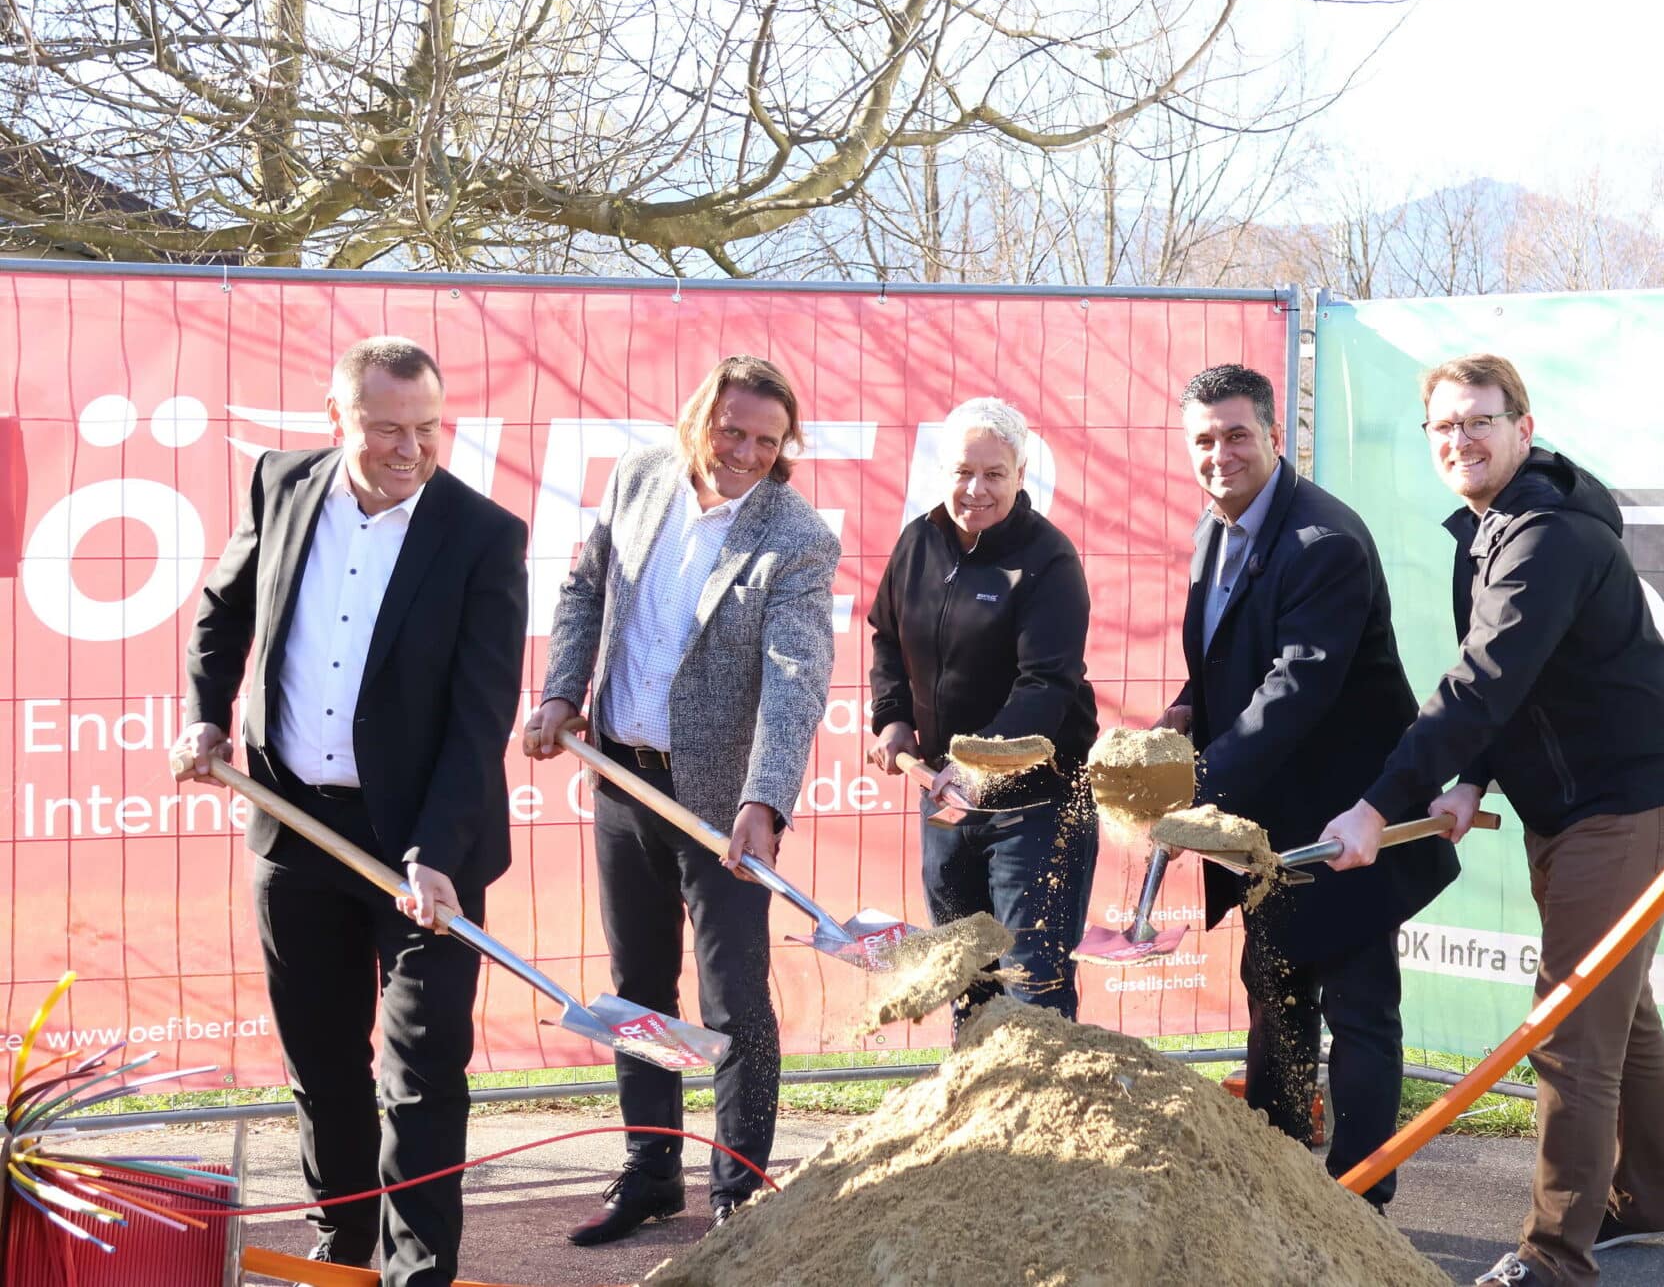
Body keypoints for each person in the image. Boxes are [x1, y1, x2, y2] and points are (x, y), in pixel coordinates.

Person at [1321, 353, 1664, 1287]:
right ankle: (1649, 1199)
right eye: (1444, 425)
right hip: (1578, 802)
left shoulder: (1544, 537)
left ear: (1522, 429)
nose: (1460, 439)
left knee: (1570, 1026)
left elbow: (1479, 684)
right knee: (1617, 1008)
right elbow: (1517, 681)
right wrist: (1473, 780)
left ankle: (1555, 1254)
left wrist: (1376, 807)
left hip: (1622, 806)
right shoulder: (1490, 527)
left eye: (1479, 421)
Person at [172, 337, 528, 1285]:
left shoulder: (484, 535)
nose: (410, 449)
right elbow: (222, 612)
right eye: (386, 429)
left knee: (421, 1074)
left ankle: (419, 1273)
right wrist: (208, 716)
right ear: (336, 419)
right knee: (322, 1062)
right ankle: (342, 1247)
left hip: (425, 846)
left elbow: (481, 715)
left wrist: (436, 851)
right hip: (292, 824)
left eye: (427, 428)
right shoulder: (280, 485)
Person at [524, 354, 838, 1243]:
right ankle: (651, 1174)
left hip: (721, 805)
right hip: (622, 779)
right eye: (732, 431)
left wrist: (763, 801)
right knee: (639, 991)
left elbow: (795, 680)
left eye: (768, 442)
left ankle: (740, 1192)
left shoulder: (797, 536)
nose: (745, 454)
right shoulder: (637, 479)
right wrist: (562, 691)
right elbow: (585, 589)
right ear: (699, 417)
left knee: (734, 1002)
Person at [1160, 363, 1458, 1205]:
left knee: (1360, 1009)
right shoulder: (1216, 525)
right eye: (1204, 440)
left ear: (1273, 434)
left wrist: (1196, 789)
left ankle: (1359, 1201)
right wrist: (1182, 713)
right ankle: (1283, 1190)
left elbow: (1295, 691)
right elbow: (1228, 659)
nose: (1220, 454)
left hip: (1348, 817)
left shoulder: (1323, 542)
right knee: (1275, 996)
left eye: (1237, 435)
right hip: (1269, 825)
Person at [866, 397, 1099, 1025]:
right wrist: (892, 718)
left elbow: (1045, 685)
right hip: (947, 799)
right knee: (968, 981)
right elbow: (887, 637)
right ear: (942, 472)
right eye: (964, 472)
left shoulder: (1048, 561)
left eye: (994, 474)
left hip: (1038, 806)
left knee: (1032, 988)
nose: (976, 489)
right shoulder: (918, 542)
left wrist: (979, 765)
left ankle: (1041, 1094)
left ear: (1020, 475)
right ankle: (977, 1090)